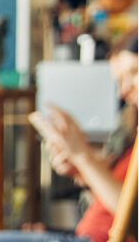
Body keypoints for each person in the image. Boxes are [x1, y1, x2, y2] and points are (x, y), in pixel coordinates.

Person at [30, 41, 138, 242]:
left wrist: (82, 156)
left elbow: (134, 217)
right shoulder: (131, 134)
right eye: (120, 80)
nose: (124, 91)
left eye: (134, 72)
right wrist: (81, 169)